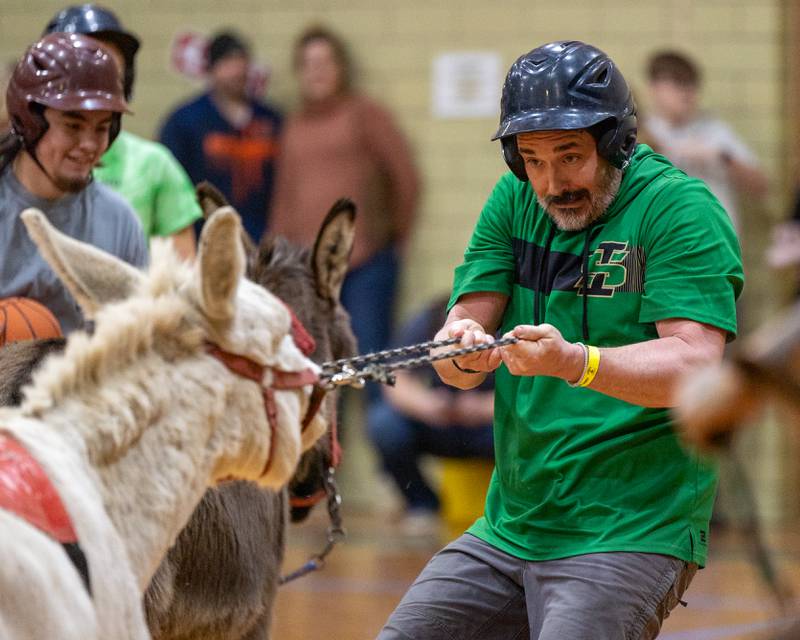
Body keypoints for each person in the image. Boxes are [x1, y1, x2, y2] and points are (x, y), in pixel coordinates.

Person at [378, 40, 743, 640]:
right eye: (533, 160)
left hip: (631, 526)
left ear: (616, 142)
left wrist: (575, 362)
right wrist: (459, 347)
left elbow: (696, 366)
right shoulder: (514, 199)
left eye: (570, 157)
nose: (552, 184)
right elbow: (460, 345)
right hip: (511, 525)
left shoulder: (680, 209)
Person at [270, 25, 420, 390]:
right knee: (317, 378)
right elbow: (284, 198)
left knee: (368, 370)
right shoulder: (292, 125)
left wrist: (394, 240)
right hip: (308, 276)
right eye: (308, 63)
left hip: (365, 269)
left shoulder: (364, 113)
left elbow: (406, 177)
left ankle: (384, 442)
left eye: (324, 62)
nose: (316, 71)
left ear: (341, 67)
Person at [0, 33, 147, 335]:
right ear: (29, 121)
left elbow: (138, 345)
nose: (89, 144)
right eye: (73, 126)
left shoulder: (119, 220)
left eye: (102, 128)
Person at [43, 4, 202, 260]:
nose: (96, 81)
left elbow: (181, 280)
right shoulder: (20, 163)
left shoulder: (154, 165)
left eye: (108, 71)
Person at [367, 295, 494, 535]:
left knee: (532, 427)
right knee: (384, 424)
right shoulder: (432, 315)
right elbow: (391, 376)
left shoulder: (513, 322)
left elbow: (537, 389)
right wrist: (427, 405)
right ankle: (421, 504)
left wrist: (486, 407)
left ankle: (511, 509)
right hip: (439, 420)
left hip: (490, 426)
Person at [159, 29, 282, 244]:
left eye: (241, 62)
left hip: (260, 241)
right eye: (227, 63)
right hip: (204, 241)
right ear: (211, 69)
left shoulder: (271, 121)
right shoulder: (186, 121)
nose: (236, 70)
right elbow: (170, 187)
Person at [643, 50, 768, 233]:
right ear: (654, 87)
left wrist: (723, 157)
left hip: (717, 242)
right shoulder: (644, 133)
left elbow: (761, 187)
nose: (686, 92)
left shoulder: (715, 131)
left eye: (691, 84)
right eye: (677, 84)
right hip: (663, 240)